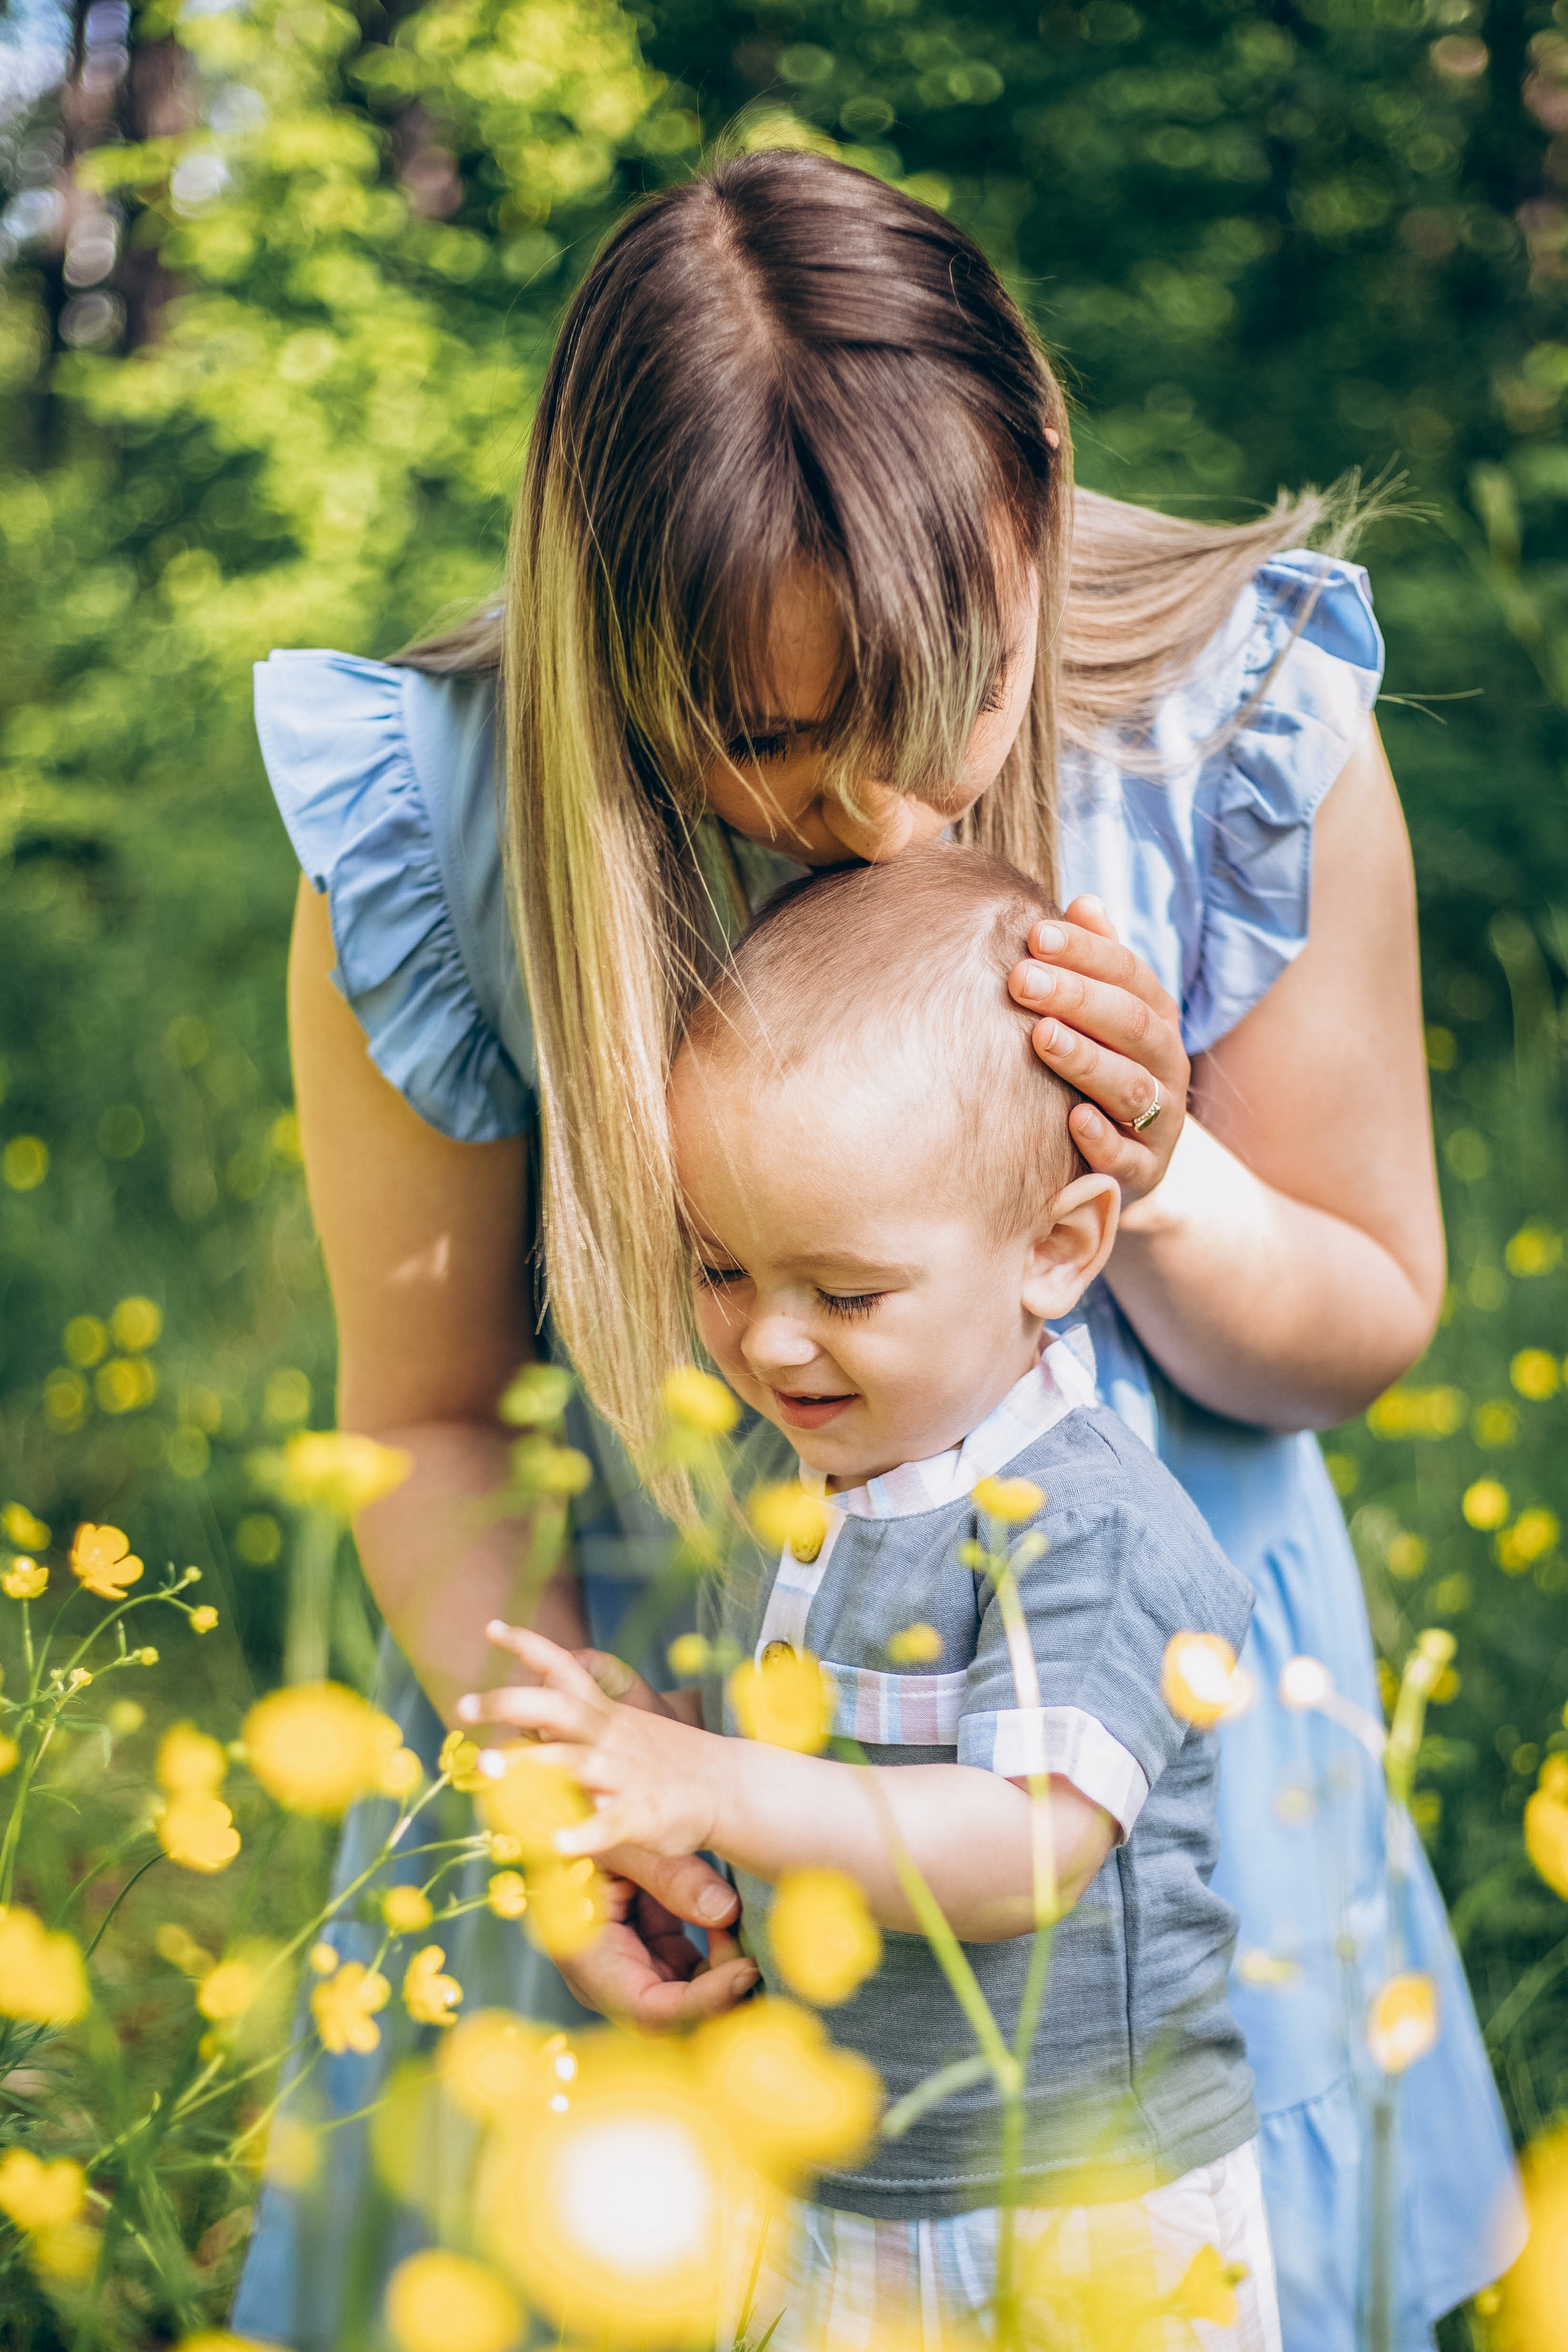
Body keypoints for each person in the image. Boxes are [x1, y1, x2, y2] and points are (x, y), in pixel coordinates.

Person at [234, 148, 1520, 2350]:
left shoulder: (1230, 731)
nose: (889, 826)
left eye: (954, 704)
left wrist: (1164, 1165)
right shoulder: (438, 835)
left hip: (1144, 1809)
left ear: (1035, 491)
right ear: (613, 644)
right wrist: (571, 1795)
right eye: (765, 743)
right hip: (678, 1782)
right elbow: (428, 1420)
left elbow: (1359, 1333)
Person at [458, 842, 1281, 2348]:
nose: (771, 1347)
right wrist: (643, 1757)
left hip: (1067, 2204)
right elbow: (813, 1773)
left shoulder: (1084, 1527)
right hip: (848, 2172)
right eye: (720, 1271)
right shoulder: (814, 1493)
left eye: (842, 1295)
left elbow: (1024, 1846)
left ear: (1055, 1250)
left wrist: (706, 1779)